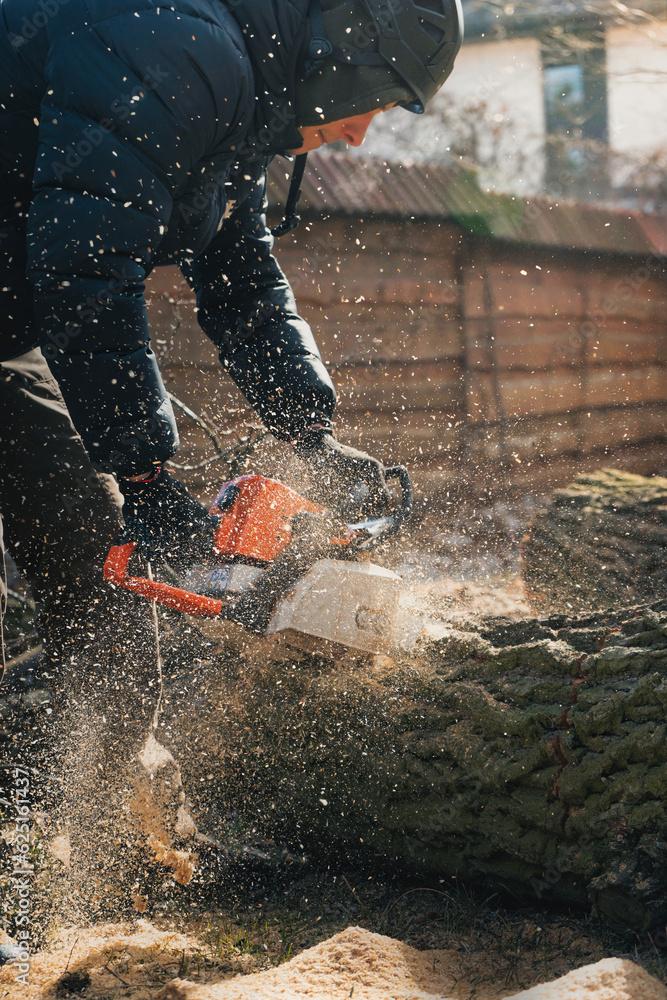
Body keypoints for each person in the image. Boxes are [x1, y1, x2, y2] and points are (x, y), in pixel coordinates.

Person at [0, 0, 463, 911]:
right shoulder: (175, 46)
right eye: (375, 102)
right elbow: (86, 262)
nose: (363, 136)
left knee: (105, 610)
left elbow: (242, 274)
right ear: (345, 49)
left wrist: (309, 432)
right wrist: (143, 472)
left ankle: (81, 887)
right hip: (35, 306)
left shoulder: (243, 98)